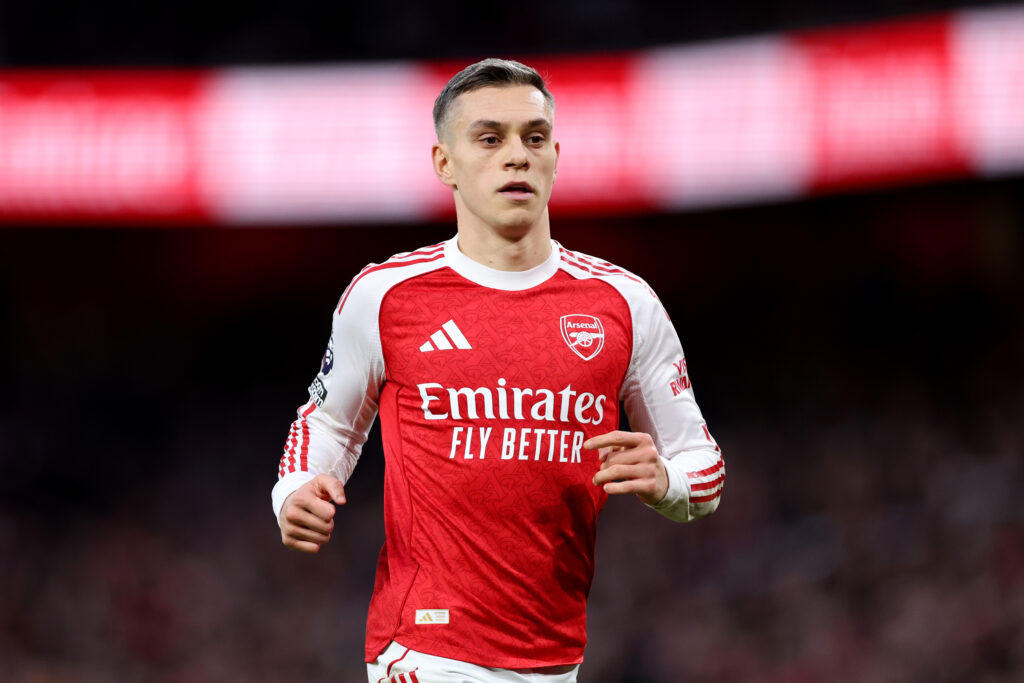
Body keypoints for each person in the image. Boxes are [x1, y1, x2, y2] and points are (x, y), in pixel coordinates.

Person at [273, 58, 724, 683]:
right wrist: (295, 487)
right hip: (423, 651)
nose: (517, 155)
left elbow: (704, 471)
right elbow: (326, 425)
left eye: (533, 138)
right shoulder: (386, 296)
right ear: (444, 164)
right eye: (490, 138)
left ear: (556, 157)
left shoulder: (625, 304)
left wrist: (665, 479)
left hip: (556, 656)